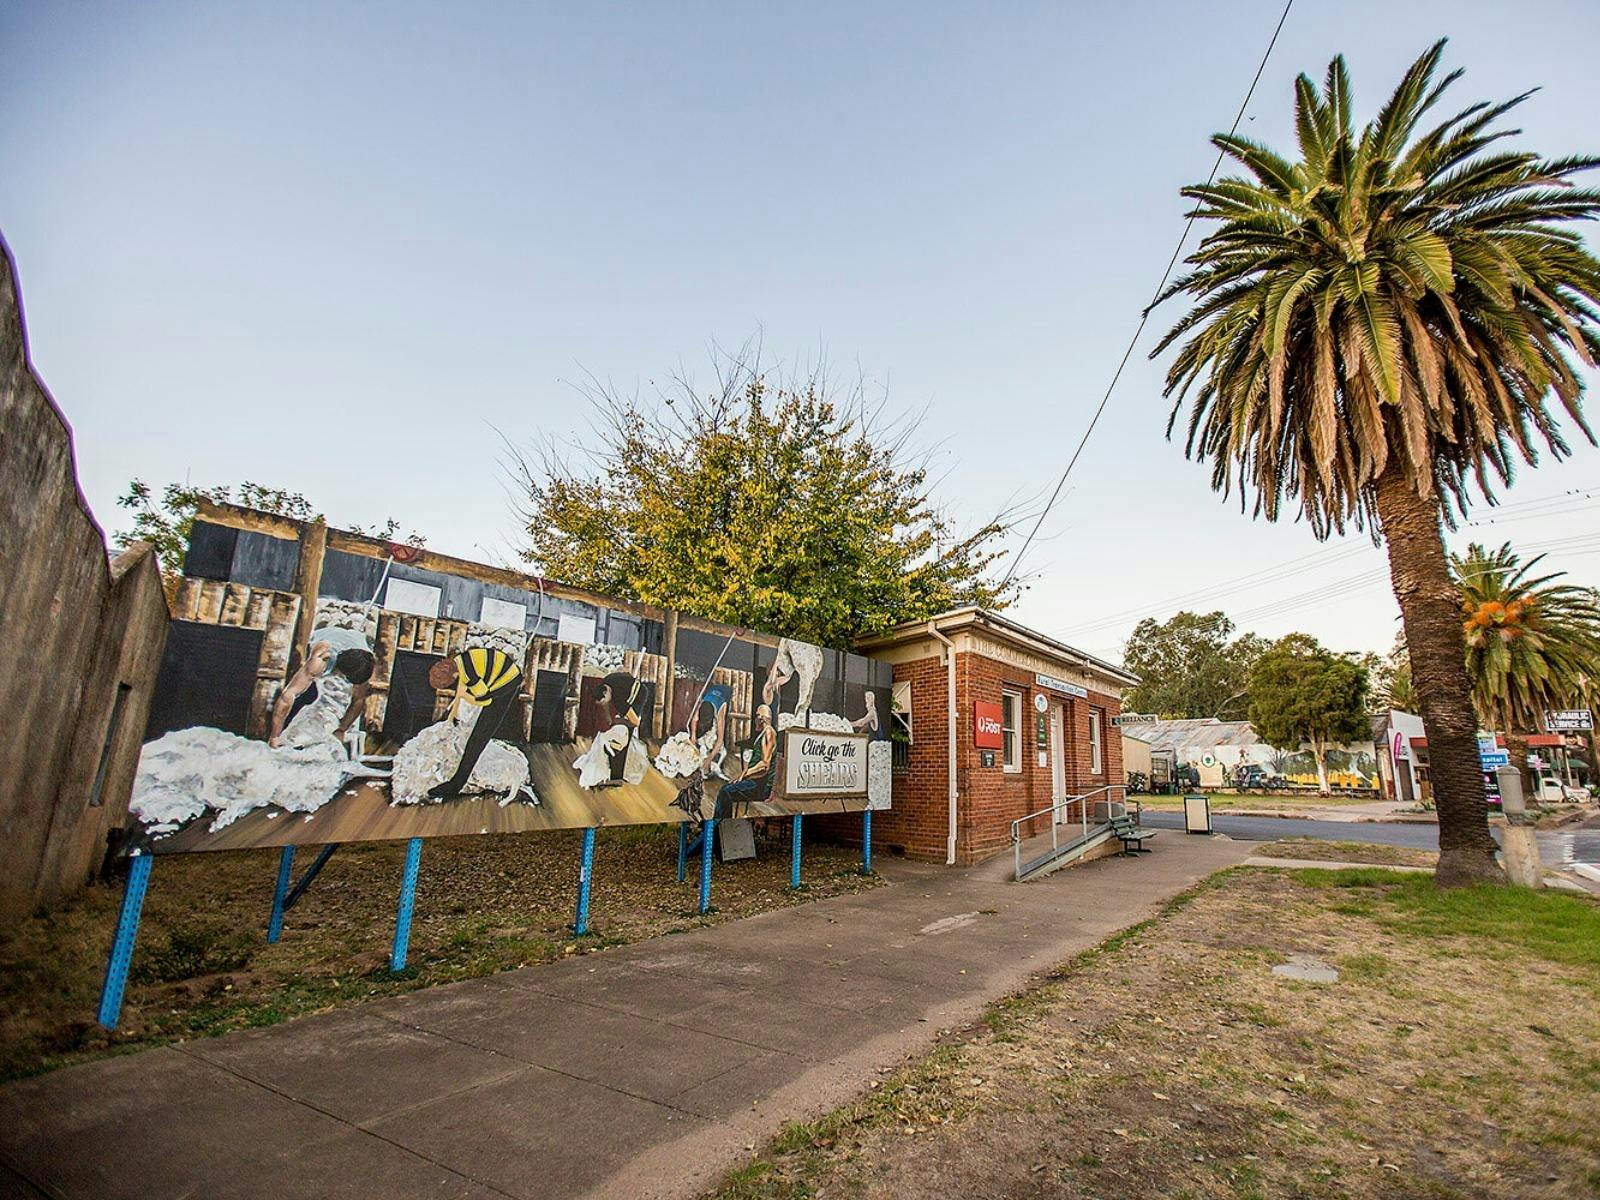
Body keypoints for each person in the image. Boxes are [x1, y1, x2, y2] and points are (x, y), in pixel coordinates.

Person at [425, 645, 523, 799]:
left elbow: (485, 700)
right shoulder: (458, 661)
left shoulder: (470, 675)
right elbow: (461, 693)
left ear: (454, 675)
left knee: (478, 738)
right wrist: (451, 715)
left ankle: (456, 784)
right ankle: (456, 781)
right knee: (472, 736)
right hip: (500, 674)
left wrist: (467, 697)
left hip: (506, 683)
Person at [269, 626, 376, 748]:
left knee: (354, 696)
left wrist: (341, 730)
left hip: (357, 641)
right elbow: (287, 696)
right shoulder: (320, 659)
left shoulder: (365, 664)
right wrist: (274, 736)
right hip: (326, 633)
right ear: (340, 672)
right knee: (307, 695)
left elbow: (358, 701)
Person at [574, 672, 648, 789]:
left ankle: (616, 778)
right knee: (618, 726)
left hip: (640, 693)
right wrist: (610, 720)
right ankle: (614, 771)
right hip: (629, 689)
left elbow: (635, 722)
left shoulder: (619, 700)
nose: (604, 703)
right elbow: (606, 705)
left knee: (625, 732)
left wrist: (621, 723)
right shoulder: (606, 682)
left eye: (603, 701)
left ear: (605, 693)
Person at [715, 704, 777, 819]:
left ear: (761, 719)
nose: (755, 721)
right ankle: (719, 825)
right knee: (726, 789)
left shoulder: (769, 733)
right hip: (755, 781)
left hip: (759, 785)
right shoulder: (764, 733)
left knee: (726, 792)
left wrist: (744, 774)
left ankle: (721, 826)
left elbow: (764, 765)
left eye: (756, 717)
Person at [688, 680, 731, 778]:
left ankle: (717, 763)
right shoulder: (703, 703)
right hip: (712, 692)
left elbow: (720, 740)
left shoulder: (720, 710)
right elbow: (694, 720)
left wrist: (709, 759)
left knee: (720, 745)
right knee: (701, 741)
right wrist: (693, 735)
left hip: (725, 694)